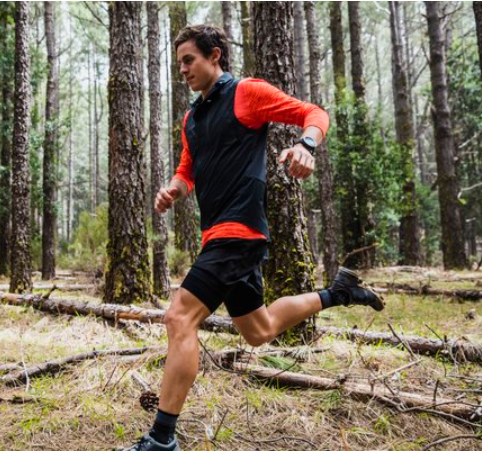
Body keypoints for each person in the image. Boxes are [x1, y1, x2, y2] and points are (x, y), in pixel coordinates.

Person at [125, 24, 385, 452]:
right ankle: (338, 293)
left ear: (215, 56)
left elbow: (314, 113)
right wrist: (174, 188)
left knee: (179, 317)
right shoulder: (192, 117)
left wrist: (306, 146)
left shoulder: (246, 93)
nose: (183, 70)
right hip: (216, 235)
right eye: (179, 64)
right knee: (259, 330)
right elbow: (188, 168)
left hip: (240, 232)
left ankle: (161, 438)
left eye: (189, 60)